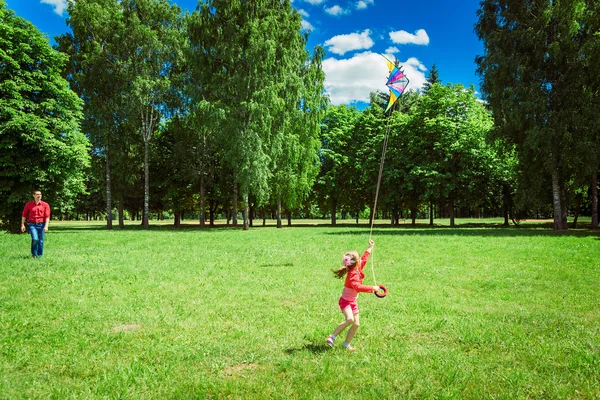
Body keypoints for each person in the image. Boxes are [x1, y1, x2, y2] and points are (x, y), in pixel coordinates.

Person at [326, 239, 379, 351]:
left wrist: (370, 248)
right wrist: (372, 288)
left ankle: (346, 345)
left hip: (352, 302)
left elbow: (364, 259)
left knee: (356, 324)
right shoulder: (352, 274)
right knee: (349, 319)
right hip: (345, 302)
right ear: (356, 262)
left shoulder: (357, 268)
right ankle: (332, 337)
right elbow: (357, 287)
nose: (361, 261)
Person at [21, 189, 51, 258]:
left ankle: (39, 255)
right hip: (32, 225)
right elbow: (24, 215)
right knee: (35, 239)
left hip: (42, 225)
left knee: (41, 241)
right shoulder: (29, 204)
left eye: (40, 194)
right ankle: (34, 254)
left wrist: (46, 226)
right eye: (37, 194)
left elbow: (47, 216)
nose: (39, 196)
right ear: (33, 195)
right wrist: (22, 224)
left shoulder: (45, 205)